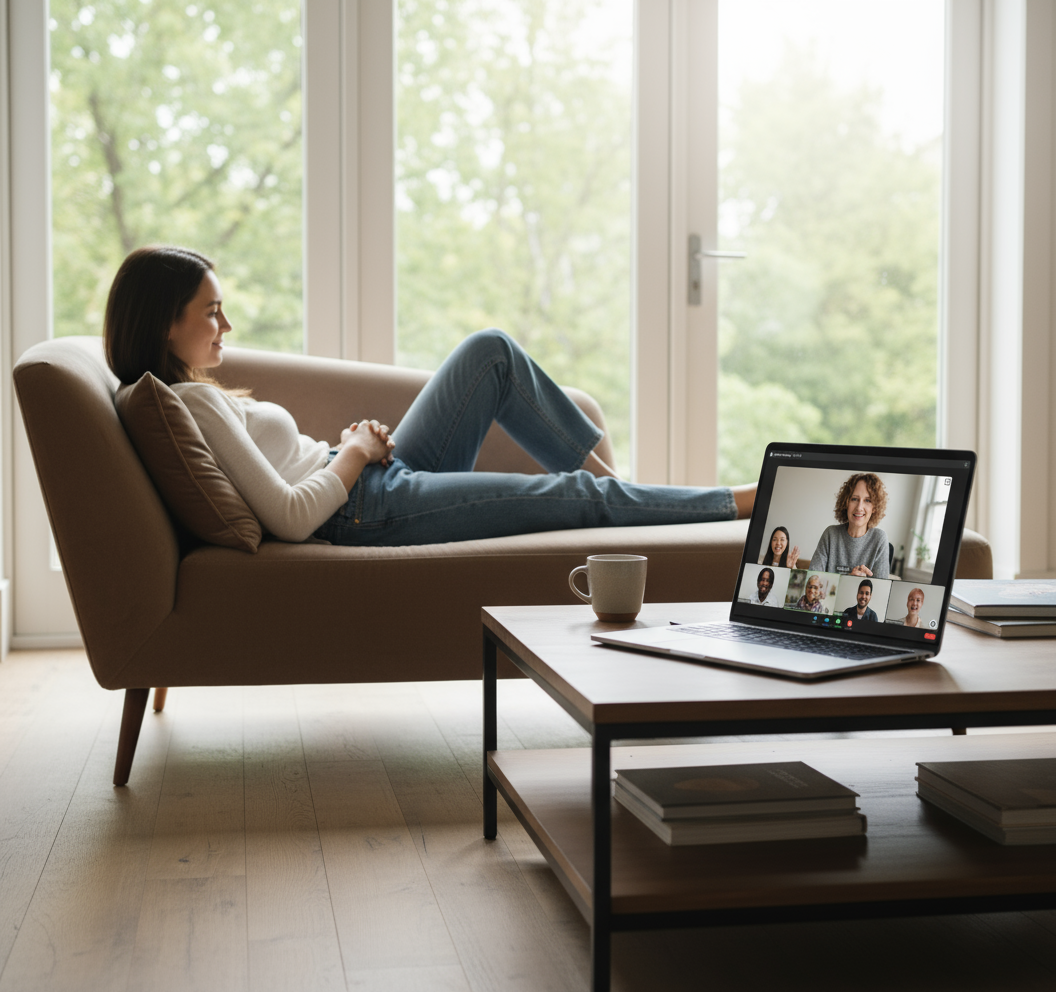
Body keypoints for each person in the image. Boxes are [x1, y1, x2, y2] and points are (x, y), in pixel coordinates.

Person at [104, 246, 756, 547]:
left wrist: (353, 451)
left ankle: (624, 495)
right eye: (211, 312)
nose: (226, 327)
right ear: (166, 322)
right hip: (361, 510)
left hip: (369, 484)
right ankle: (730, 504)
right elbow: (291, 518)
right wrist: (354, 455)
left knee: (490, 353)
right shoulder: (188, 404)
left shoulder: (184, 396)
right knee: (572, 496)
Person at [809, 473, 890, 578]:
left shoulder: (879, 539)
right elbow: (812, 579)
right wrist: (847, 579)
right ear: (846, 503)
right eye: (854, 499)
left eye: (867, 500)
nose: (859, 507)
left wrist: (866, 582)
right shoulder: (830, 534)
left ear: (874, 508)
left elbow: (880, 590)